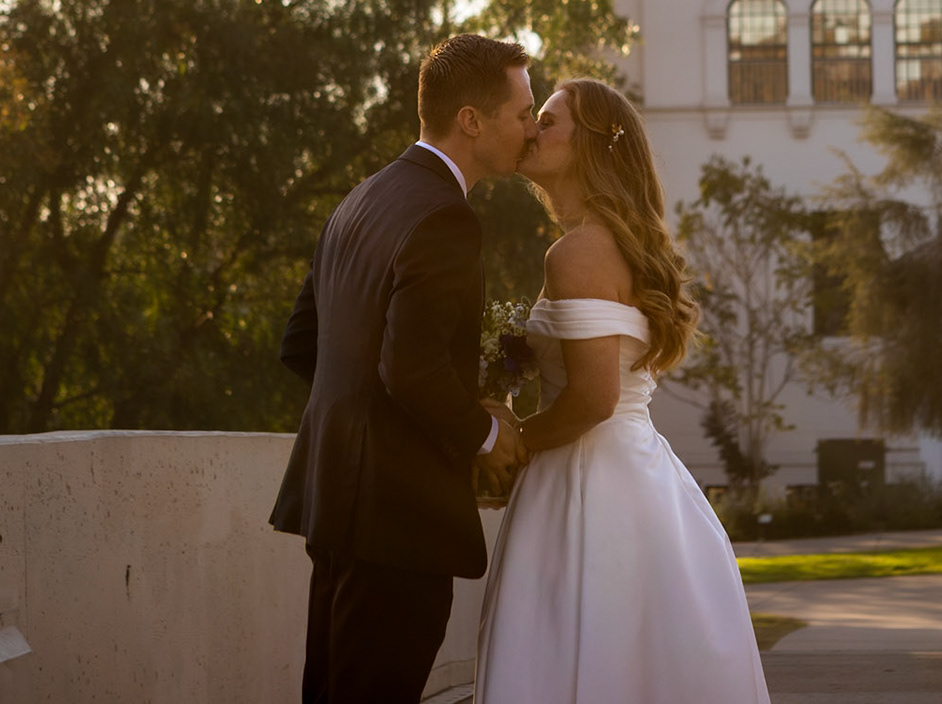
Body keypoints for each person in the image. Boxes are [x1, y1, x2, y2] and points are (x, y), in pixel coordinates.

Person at [475, 77, 772, 704]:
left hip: (588, 483)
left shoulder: (577, 253)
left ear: (589, 145)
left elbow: (592, 400)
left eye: (548, 121)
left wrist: (510, 442)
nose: (532, 130)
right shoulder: (616, 244)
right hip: (638, 476)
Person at [270, 34, 536, 704]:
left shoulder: (360, 199)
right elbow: (411, 369)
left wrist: (365, 432)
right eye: (522, 113)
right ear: (471, 120)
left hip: (335, 502)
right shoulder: (446, 217)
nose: (531, 129)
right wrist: (484, 434)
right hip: (398, 521)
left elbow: (303, 344)